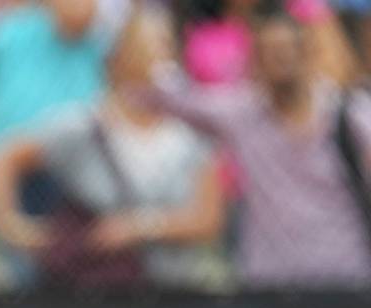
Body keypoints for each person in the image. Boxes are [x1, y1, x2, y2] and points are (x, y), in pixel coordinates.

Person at [0, 7, 227, 291]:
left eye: (165, 44)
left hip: (172, 296)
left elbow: (208, 220)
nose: (158, 56)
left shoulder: (191, 131)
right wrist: (15, 229)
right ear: (117, 57)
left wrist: (137, 228)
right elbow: (1, 158)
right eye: (146, 45)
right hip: (96, 299)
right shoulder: (85, 125)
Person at [140, 7, 371, 288]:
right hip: (269, 284)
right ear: (255, 63)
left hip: (344, 278)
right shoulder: (242, 116)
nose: (282, 61)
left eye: (288, 50)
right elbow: (165, 96)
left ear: (308, 54)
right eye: (271, 53)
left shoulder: (350, 116)